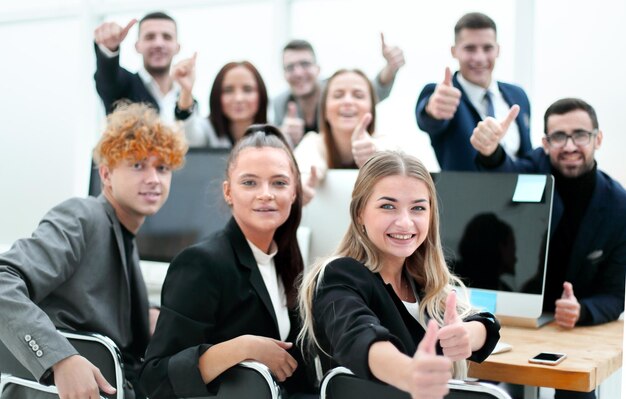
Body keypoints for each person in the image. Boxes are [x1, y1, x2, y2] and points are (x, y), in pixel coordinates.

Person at [0, 103, 188, 399]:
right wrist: (59, 359)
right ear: (106, 174)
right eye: (138, 165)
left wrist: (146, 317)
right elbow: (2, 281)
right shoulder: (82, 216)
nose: (154, 178)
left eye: (162, 168)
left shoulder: (125, 237)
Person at [298, 151, 500, 398]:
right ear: (360, 213)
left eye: (417, 208)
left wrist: (469, 335)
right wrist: (409, 373)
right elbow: (358, 337)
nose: (405, 222)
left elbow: (487, 323)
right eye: (388, 206)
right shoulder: (340, 275)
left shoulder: (421, 280)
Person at [139, 125, 316, 398]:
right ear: (228, 192)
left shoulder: (287, 259)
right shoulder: (201, 263)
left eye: (279, 183)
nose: (266, 193)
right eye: (249, 182)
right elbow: (156, 378)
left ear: (294, 193)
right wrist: (243, 348)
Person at [471, 98, 626, 399]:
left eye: (580, 135)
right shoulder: (533, 170)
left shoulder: (618, 207)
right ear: (545, 142)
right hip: (515, 317)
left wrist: (582, 310)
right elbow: (505, 172)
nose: (569, 145)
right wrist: (490, 153)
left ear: (598, 138)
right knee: (498, 384)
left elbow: (614, 296)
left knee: (577, 391)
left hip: (573, 329)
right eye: (558, 137)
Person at [415, 12, 532, 171]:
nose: (479, 57)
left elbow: (527, 157)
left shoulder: (518, 95)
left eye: (487, 48)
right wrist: (433, 110)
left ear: (497, 50)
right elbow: (429, 118)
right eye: (470, 48)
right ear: (454, 51)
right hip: (463, 195)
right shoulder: (443, 96)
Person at [275, 36, 405, 146]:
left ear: (318, 69)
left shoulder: (334, 89)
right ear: (283, 74)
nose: (298, 73)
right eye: (290, 67)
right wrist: (282, 136)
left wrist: (390, 67)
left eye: (305, 64)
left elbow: (372, 90)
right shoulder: (279, 103)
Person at [294, 68, 397, 205]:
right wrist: (304, 181)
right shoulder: (312, 142)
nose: (347, 101)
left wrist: (376, 157)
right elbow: (307, 162)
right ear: (324, 110)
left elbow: (397, 164)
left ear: (371, 108)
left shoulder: (384, 143)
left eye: (358, 95)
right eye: (338, 95)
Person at [94, 11, 196, 124]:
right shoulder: (122, 86)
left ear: (177, 47)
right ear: (137, 46)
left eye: (167, 37)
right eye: (150, 37)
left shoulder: (187, 99)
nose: (158, 44)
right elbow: (107, 77)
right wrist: (109, 48)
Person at [175, 61, 269, 148]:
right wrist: (186, 91)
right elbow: (189, 137)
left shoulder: (273, 136)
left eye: (247, 89)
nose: (238, 98)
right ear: (216, 95)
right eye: (228, 90)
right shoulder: (207, 131)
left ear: (261, 94)